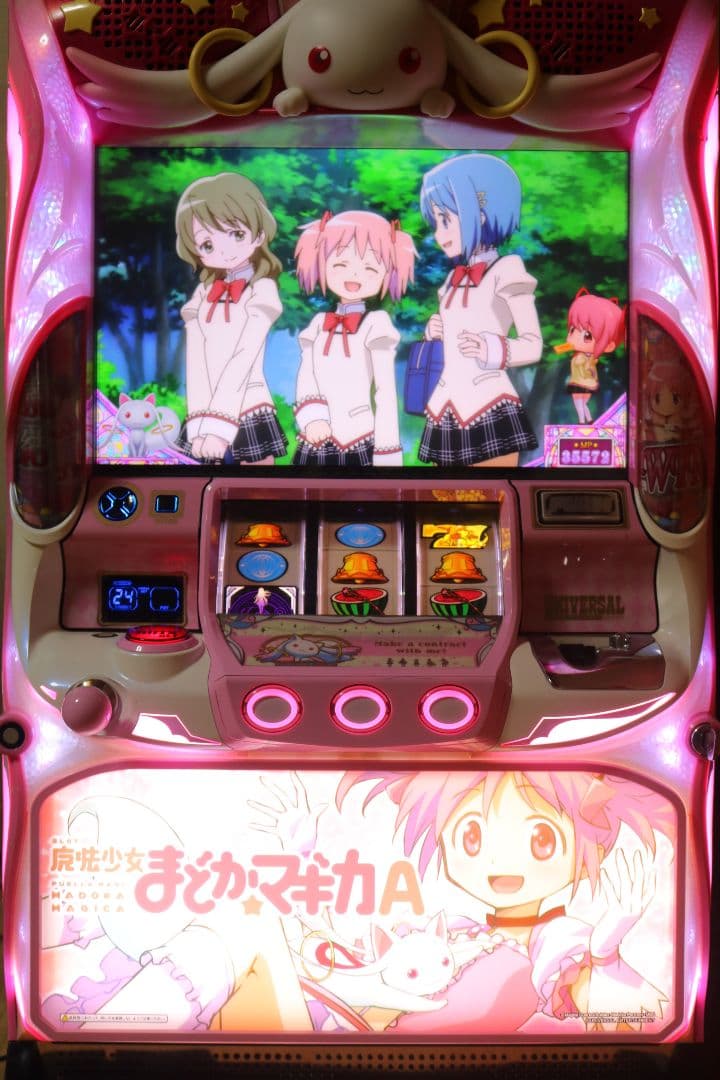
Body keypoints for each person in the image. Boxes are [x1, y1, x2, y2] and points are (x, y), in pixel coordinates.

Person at [418, 154, 542, 467]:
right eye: (436, 223)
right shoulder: (452, 280)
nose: (438, 234)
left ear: (481, 214)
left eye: (446, 220)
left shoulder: (508, 270)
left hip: (489, 404)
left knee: (490, 488)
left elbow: (532, 344)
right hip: (446, 405)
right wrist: (434, 331)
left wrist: (489, 348)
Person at [175, 172, 287, 464]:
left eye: (236, 234)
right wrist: (199, 425)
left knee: (260, 488)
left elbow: (244, 356)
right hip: (203, 416)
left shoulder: (261, 290)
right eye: (207, 244)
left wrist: (218, 427)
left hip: (248, 406)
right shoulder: (202, 294)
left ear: (258, 235)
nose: (223, 251)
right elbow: (196, 365)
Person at [293, 210, 415, 467]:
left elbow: (385, 391)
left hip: (360, 437)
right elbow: (306, 376)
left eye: (370, 268)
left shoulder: (376, 323)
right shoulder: (318, 323)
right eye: (340, 264)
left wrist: (387, 453)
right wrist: (312, 418)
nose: (355, 275)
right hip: (315, 437)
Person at [556, 288, 625, 423]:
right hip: (589, 384)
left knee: (579, 404)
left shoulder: (582, 358)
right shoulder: (589, 357)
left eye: (587, 336)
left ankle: (582, 422)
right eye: (572, 330)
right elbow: (562, 349)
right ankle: (589, 420)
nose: (574, 337)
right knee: (583, 404)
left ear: (609, 346)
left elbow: (582, 365)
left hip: (579, 383)